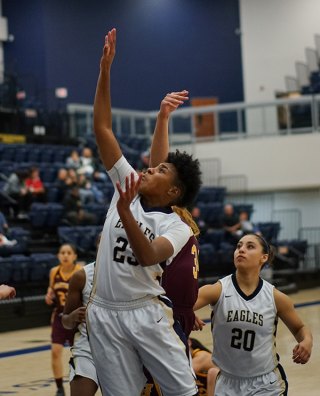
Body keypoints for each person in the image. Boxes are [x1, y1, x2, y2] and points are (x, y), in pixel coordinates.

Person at [86, 28, 201, 396]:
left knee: (182, 391)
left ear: (174, 191)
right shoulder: (129, 184)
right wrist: (105, 70)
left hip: (146, 312)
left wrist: (125, 211)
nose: (150, 168)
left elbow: (149, 253)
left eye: (160, 170)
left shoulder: (177, 225)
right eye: (152, 166)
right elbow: (102, 127)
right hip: (103, 312)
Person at [194, 233, 313, 396]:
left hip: (265, 384)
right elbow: (179, 305)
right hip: (227, 382)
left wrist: (307, 341)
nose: (241, 250)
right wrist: (187, 311)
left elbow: (300, 327)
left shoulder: (276, 297)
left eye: (250, 247)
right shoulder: (218, 290)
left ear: (263, 258)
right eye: (239, 246)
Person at [45, 244, 83, 396]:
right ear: (58, 256)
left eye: (69, 253)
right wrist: (48, 297)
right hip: (60, 316)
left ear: (74, 256)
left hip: (76, 318)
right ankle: (60, 388)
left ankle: (84, 382)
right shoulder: (54, 272)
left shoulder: (80, 271)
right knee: (55, 351)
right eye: (62, 253)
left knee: (80, 355)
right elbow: (50, 291)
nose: (65, 255)